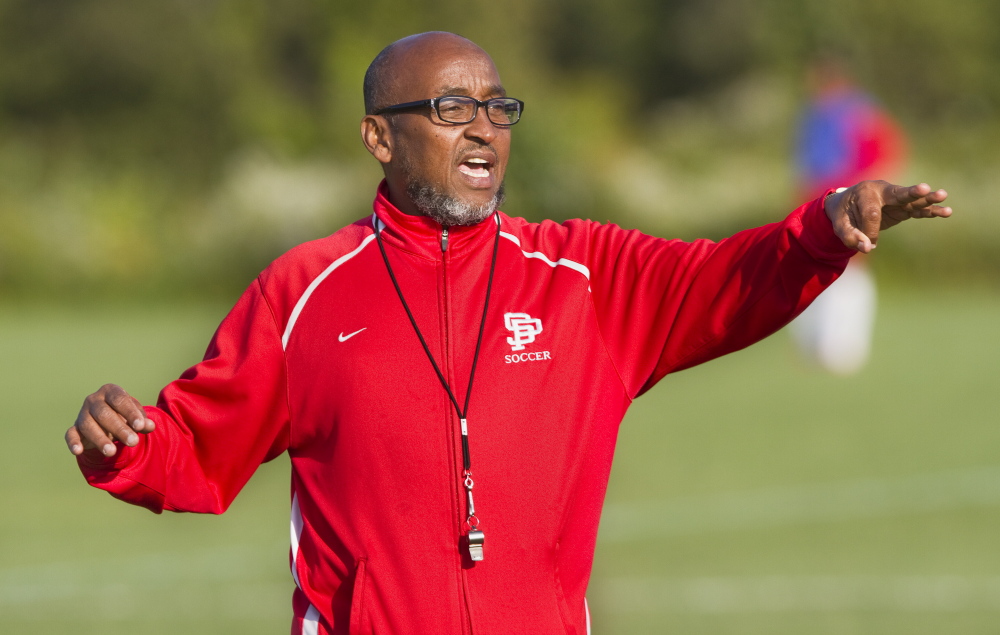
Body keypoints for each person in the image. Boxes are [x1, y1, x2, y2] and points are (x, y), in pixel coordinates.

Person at [65, 32, 952, 635]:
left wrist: (821, 228)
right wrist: (124, 445)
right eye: (452, 109)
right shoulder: (304, 292)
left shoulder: (582, 276)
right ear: (380, 135)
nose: (484, 126)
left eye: (497, 107)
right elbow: (194, 451)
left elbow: (726, 280)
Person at [790, 58, 908, 374]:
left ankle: (843, 348)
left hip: (850, 199)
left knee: (850, 266)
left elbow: (887, 153)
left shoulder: (859, 112)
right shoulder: (814, 114)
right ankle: (814, 346)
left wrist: (869, 194)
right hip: (815, 202)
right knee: (806, 266)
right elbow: (805, 166)